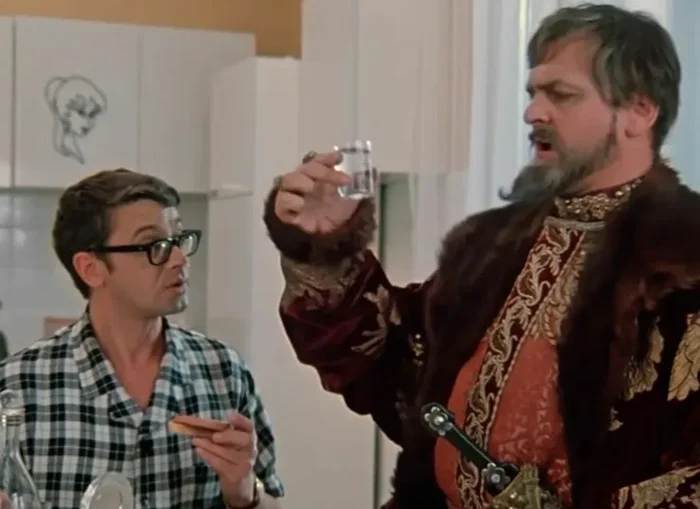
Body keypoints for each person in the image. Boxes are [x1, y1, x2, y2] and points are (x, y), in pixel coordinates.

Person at [263, 4, 699, 509]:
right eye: (533, 92)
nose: (533, 113)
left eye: (561, 94)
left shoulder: (684, 264)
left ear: (639, 112)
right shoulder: (491, 246)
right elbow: (397, 368)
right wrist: (328, 248)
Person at [0, 169, 284, 509]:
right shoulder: (18, 387)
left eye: (179, 239)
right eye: (155, 246)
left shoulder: (224, 372)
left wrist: (244, 492)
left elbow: (272, 497)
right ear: (91, 268)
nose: (179, 259)